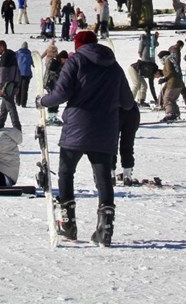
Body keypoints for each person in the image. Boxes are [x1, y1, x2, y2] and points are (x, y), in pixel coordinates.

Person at [39, 31, 134, 247]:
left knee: (66, 172)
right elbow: (127, 102)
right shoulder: (114, 66)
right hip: (106, 129)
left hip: (77, 128)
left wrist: (43, 100)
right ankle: (105, 228)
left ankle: (68, 222)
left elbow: (60, 94)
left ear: (78, 44)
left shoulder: (76, 61)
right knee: (102, 178)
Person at [0, 40, 22, 129]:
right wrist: (17, 85)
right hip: (13, 85)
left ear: (2, 47)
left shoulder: (5, 58)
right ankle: (0, 125)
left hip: (6, 87)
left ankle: (17, 127)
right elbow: (17, 72)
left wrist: (0, 87)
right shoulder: (13, 56)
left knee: (11, 107)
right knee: (3, 108)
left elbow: (3, 74)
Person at [15, 41, 34, 108]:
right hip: (27, 73)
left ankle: (18, 101)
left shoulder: (17, 53)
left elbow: (14, 61)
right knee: (25, 89)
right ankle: (23, 103)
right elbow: (33, 62)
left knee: (18, 87)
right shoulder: (29, 53)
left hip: (19, 73)